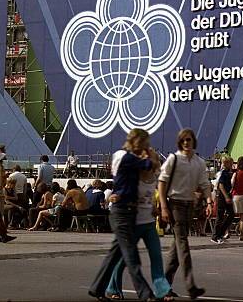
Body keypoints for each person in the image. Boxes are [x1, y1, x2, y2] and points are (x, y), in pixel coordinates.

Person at [89, 128, 159, 302]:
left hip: (126, 210)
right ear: (137, 142)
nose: (146, 146)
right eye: (144, 143)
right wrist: (149, 153)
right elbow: (149, 165)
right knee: (131, 255)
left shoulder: (123, 156)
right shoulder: (127, 157)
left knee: (115, 254)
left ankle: (97, 288)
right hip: (122, 211)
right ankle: (145, 294)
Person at [106, 144, 171, 301]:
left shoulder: (154, 175)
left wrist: (159, 210)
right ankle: (112, 287)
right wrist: (116, 197)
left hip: (148, 222)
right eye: (148, 156)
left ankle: (162, 291)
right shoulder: (132, 176)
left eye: (153, 156)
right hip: (133, 222)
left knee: (156, 256)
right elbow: (119, 191)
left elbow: (150, 198)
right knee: (124, 259)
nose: (152, 159)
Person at [158, 128, 213, 300]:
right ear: (179, 142)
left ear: (193, 141)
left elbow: (205, 184)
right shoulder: (173, 159)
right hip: (175, 204)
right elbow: (161, 182)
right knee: (183, 245)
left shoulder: (199, 162)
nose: (186, 143)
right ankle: (190, 285)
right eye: (183, 140)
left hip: (189, 206)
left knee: (176, 248)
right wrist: (164, 206)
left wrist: (210, 202)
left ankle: (163, 287)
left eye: (188, 140)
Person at [211, 156, 234, 244]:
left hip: (226, 195)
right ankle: (216, 236)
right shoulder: (224, 173)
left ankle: (220, 233)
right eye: (230, 163)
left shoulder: (228, 172)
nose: (232, 164)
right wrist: (226, 196)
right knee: (220, 216)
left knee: (231, 214)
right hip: (222, 196)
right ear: (226, 163)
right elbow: (221, 185)